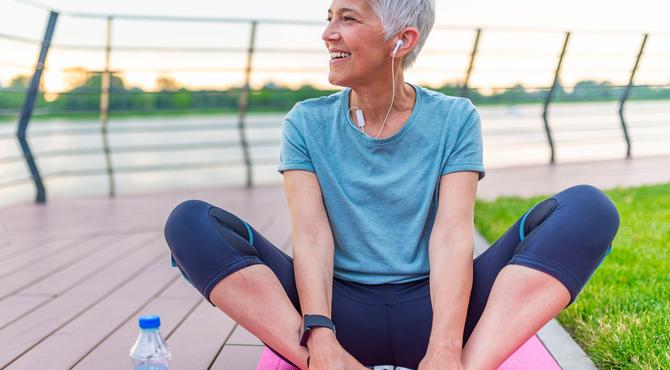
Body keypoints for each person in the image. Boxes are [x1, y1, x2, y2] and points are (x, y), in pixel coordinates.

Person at [164, 0, 620, 368]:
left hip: (436, 308)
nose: (328, 33)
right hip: (338, 313)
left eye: (348, 17)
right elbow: (311, 237)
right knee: (189, 223)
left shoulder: (454, 119)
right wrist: (320, 333)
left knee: (589, 209)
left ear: (401, 40)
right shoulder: (305, 122)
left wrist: (444, 346)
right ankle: (332, 365)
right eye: (329, 18)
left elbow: (451, 238)